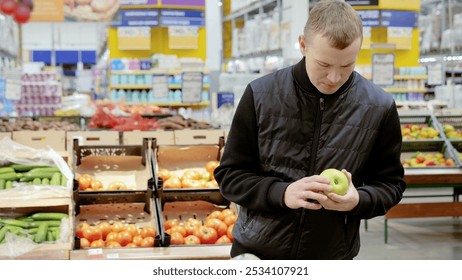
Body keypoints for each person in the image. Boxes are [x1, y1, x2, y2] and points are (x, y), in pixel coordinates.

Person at [214, 0, 406, 260]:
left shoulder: (379, 106)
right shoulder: (260, 95)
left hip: (331, 257)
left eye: (347, 65)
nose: (334, 78)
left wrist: (357, 200)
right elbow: (230, 176)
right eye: (324, 65)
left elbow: (390, 185)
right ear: (303, 44)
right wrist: (281, 193)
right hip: (258, 254)